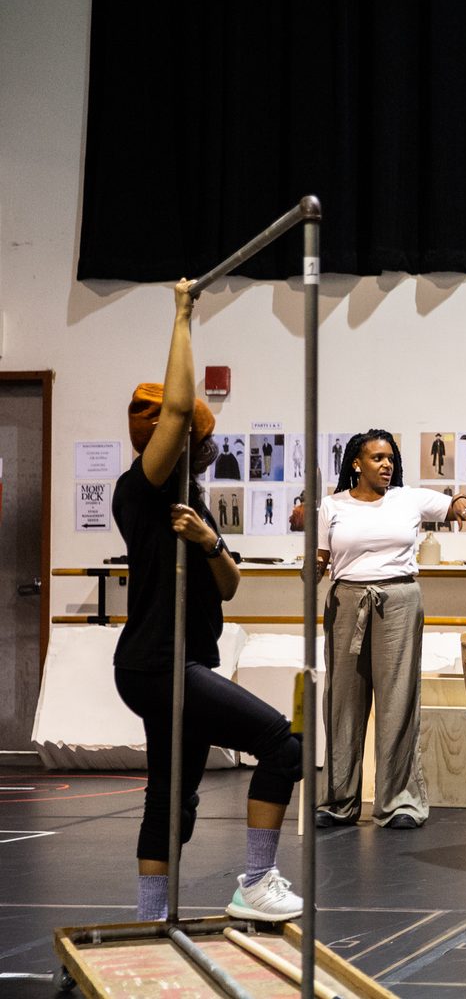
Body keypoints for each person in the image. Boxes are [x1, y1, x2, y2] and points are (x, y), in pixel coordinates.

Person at [112, 280, 304, 923]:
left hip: (182, 661)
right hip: (158, 663)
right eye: (195, 437)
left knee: (172, 799)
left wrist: (209, 540)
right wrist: (183, 314)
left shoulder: (188, 503)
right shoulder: (140, 490)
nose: (203, 446)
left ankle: (150, 917)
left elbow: (229, 585)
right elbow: (173, 409)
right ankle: (256, 881)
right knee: (280, 744)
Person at [316, 429, 466, 829]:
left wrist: (463, 506)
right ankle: (339, 801)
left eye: (390, 458)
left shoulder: (408, 498)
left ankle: (399, 802)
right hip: (347, 602)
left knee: (397, 701)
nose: (387, 464)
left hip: (398, 600)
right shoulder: (333, 505)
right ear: (356, 463)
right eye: (377, 458)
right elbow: (320, 559)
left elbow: (451, 504)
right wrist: (312, 568)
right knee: (342, 703)